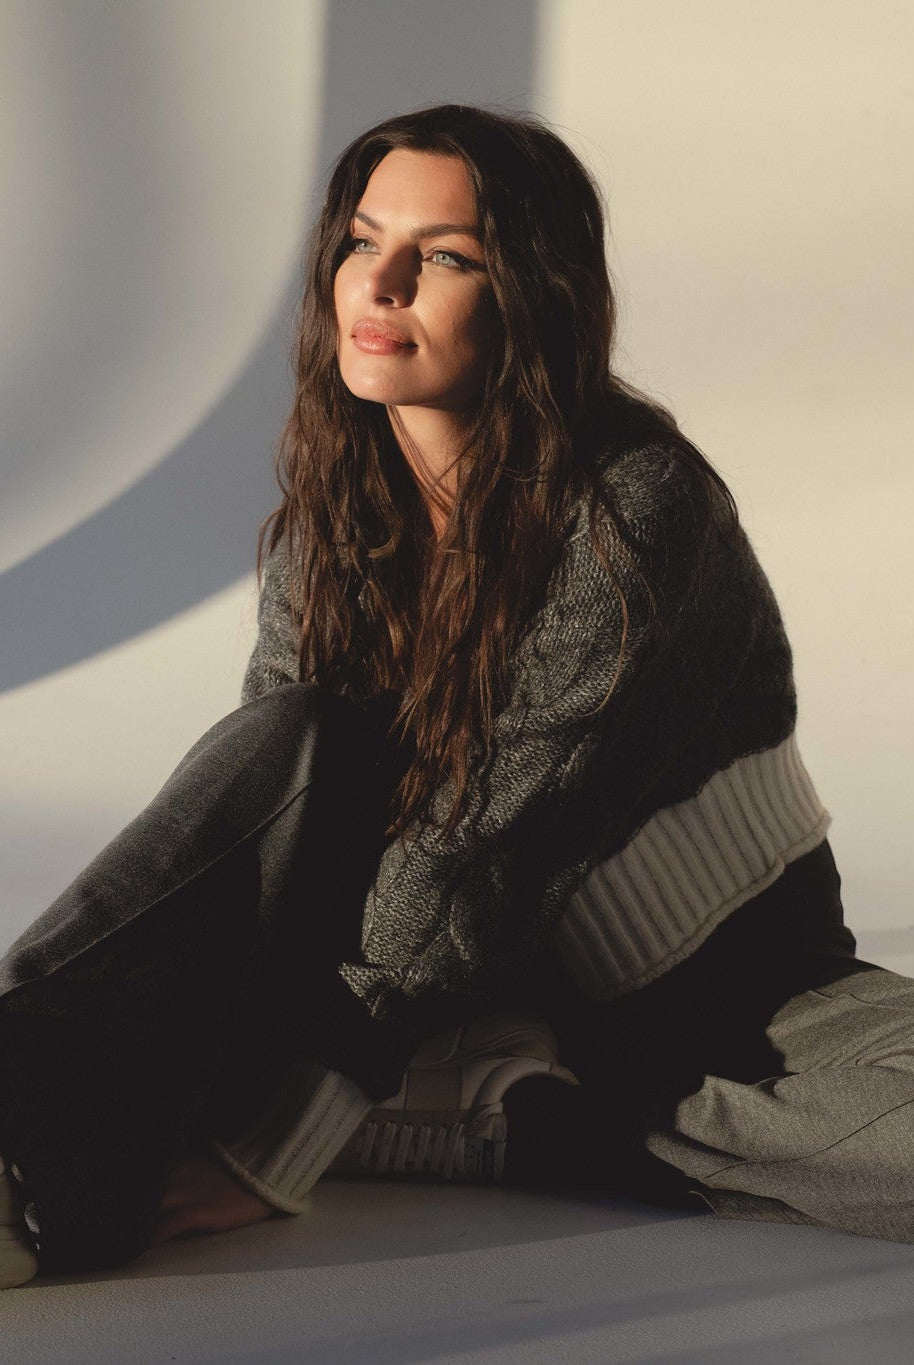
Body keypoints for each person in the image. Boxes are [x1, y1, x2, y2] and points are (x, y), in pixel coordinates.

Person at [0, 102, 911, 1288]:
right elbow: (286, 838)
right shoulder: (329, 520)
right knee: (284, 740)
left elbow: (478, 839)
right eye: (358, 242)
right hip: (412, 982)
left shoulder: (635, 509)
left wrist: (278, 1141)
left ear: (530, 292)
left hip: (712, 992)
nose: (376, 284)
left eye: (441, 257)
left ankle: (497, 1115)